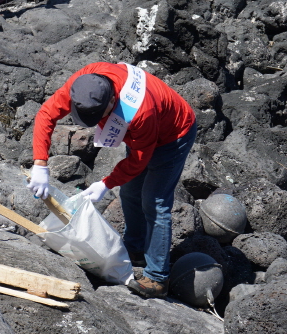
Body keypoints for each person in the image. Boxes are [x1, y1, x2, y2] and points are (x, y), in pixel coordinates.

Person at [27, 62, 197, 298]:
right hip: (140, 133)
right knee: (129, 192)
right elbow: (47, 114)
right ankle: (135, 249)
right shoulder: (84, 83)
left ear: (111, 101)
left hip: (173, 135)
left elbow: (139, 161)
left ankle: (158, 277)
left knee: (155, 203)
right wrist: (40, 164)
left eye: (99, 116)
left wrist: (106, 183)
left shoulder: (139, 112)